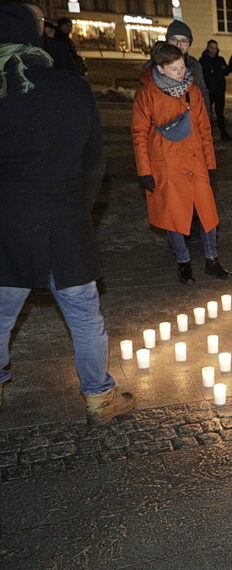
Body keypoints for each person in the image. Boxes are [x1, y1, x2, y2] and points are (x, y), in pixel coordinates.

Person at [0, 3, 134, 423]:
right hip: (64, 218)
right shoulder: (71, 87)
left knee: (1, 313)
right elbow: (95, 161)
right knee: (83, 313)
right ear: (37, 34)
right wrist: (81, 208)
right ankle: (98, 396)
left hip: (8, 222)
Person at [131, 43, 232, 284]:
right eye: (175, 68)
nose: (181, 71)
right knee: (173, 216)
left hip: (194, 161)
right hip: (165, 165)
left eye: (183, 66)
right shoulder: (147, 94)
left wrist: (211, 164)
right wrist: (144, 171)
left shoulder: (192, 91)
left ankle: (212, 260)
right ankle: (183, 262)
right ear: (160, 69)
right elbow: (139, 134)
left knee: (208, 214)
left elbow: (204, 130)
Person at [162, 20, 209, 122]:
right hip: (162, 126)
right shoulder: (155, 65)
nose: (178, 45)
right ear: (167, 41)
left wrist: (205, 124)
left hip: (189, 125)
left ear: (189, 44)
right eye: (174, 40)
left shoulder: (194, 65)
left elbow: (203, 95)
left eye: (183, 41)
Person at [199, 39, 231, 141]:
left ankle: (223, 132)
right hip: (208, 91)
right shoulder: (203, 61)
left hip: (219, 91)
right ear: (208, 48)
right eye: (212, 48)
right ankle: (207, 134)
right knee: (207, 114)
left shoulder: (220, 59)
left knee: (220, 112)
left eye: (215, 48)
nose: (213, 50)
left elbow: (226, 71)